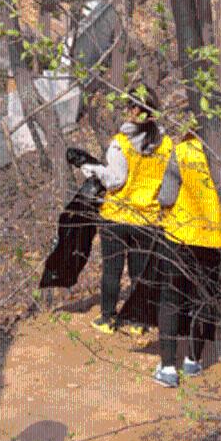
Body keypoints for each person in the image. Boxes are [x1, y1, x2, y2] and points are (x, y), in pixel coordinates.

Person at [82, 86, 173, 335]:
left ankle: (108, 318)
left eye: (128, 107)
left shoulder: (121, 143)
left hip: (117, 216)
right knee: (140, 272)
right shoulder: (166, 145)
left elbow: (115, 180)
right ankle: (137, 321)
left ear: (135, 110)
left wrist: (92, 169)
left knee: (112, 269)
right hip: (148, 218)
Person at [155, 128, 221, 387]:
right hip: (213, 240)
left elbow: (167, 197)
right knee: (203, 300)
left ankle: (167, 367)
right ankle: (192, 361)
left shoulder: (182, 152)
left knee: (171, 299)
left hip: (180, 237)